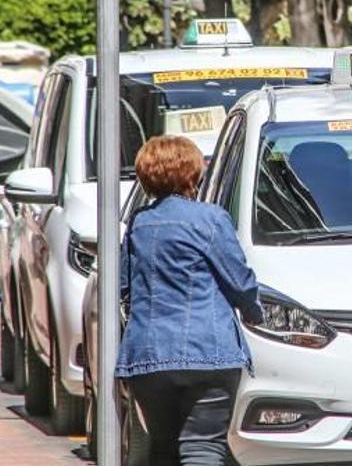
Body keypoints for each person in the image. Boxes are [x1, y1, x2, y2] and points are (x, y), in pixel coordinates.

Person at [116, 135, 264, 466]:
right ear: (192, 174)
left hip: (150, 354)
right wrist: (254, 312)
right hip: (208, 352)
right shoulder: (211, 219)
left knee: (163, 447)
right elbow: (239, 282)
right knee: (204, 447)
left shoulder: (139, 223)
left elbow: (123, 287)